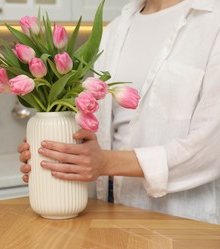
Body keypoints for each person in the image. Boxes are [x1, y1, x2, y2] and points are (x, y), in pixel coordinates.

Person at [18, 0, 220, 224]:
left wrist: (105, 162)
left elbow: (211, 149)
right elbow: (94, 120)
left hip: (185, 220)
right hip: (110, 209)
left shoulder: (214, 21)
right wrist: (59, 152)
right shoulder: (116, 29)